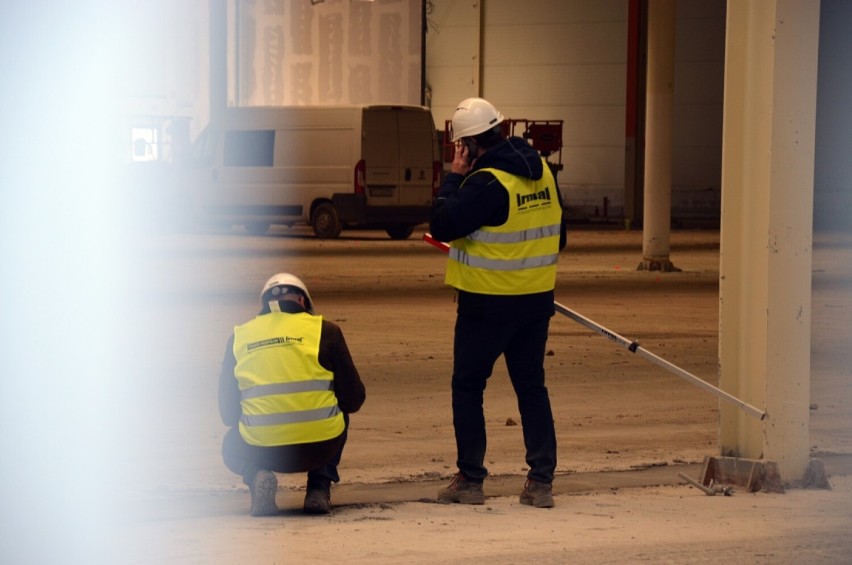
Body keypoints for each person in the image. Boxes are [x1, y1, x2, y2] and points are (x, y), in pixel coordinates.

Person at [429, 97, 567, 508]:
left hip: (486, 307)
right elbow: (558, 237)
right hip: (535, 304)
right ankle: (540, 481)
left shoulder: (485, 183)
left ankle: (471, 479)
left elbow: (441, 225)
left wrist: (453, 178)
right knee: (531, 388)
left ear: (467, 145)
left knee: (468, 387)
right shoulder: (541, 171)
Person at [219, 273, 366, 516]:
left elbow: (227, 414)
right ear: (302, 301)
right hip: (320, 448)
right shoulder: (326, 331)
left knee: (230, 445)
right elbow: (354, 400)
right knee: (340, 414)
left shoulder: (239, 338)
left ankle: (257, 474)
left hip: (262, 448)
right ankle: (319, 486)